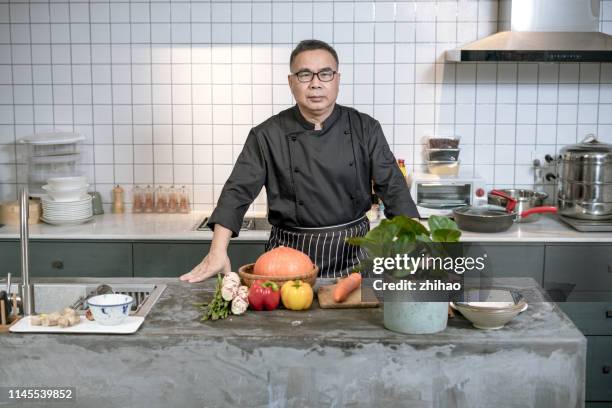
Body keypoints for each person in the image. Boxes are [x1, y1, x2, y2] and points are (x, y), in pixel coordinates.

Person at [180, 39, 419, 283]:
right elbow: (237, 191)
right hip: (286, 261)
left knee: (356, 320)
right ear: (291, 82)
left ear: (337, 79)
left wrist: (420, 244)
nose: (316, 83)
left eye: (325, 74)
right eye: (305, 74)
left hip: (355, 258)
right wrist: (217, 250)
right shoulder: (266, 135)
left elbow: (393, 186)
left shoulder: (365, 128)